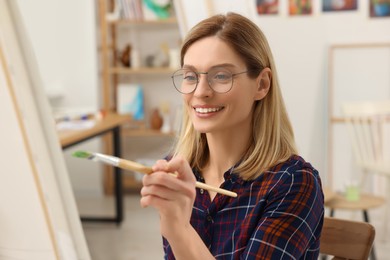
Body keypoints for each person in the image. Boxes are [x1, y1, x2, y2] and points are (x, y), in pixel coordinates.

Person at [140, 12, 324, 259]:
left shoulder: (293, 183)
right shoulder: (180, 172)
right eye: (190, 76)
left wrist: (179, 228)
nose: (201, 92)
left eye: (221, 76)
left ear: (261, 85)